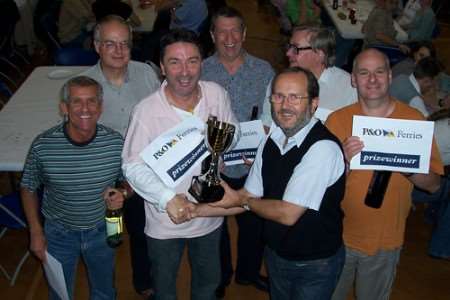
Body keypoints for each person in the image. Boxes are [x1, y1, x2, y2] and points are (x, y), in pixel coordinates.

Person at [193, 66, 347, 300]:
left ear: (314, 103)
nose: (285, 105)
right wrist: (195, 211)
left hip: (314, 264)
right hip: (276, 255)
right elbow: (248, 195)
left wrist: (241, 199)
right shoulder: (271, 140)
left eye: (295, 97)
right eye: (278, 96)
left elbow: (287, 213)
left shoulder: (322, 148)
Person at [122, 28, 238, 299]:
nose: (185, 71)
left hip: (209, 213)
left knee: (208, 284)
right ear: (162, 67)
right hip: (165, 221)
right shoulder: (146, 111)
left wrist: (223, 143)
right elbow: (131, 165)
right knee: (164, 288)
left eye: (192, 61)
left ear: (202, 63)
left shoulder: (216, 94)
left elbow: (233, 130)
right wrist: (167, 198)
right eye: (175, 62)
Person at [325, 48, 443, 300]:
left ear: (390, 76)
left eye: (379, 72)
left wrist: (408, 167)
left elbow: (434, 185)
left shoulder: (415, 122)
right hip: (336, 237)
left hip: (384, 241)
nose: (372, 79)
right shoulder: (337, 121)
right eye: (364, 73)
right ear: (353, 79)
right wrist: (341, 162)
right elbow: (320, 186)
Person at [20, 76, 126, 299]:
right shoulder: (43, 145)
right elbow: (28, 187)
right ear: (64, 108)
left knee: (105, 292)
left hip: (103, 229)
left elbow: (128, 182)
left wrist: (123, 193)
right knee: (59, 294)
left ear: (100, 107)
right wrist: (36, 231)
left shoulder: (116, 143)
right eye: (77, 102)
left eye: (91, 101)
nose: (85, 108)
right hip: (58, 234)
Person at [81, 15, 160, 299]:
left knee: (141, 230)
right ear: (97, 46)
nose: (118, 51)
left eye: (124, 44)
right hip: (104, 172)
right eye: (110, 44)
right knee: (107, 236)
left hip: (140, 170)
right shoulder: (84, 84)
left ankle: (144, 282)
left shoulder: (147, 74)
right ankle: (104, 286)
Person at [201, 6, 274, 297]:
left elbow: (272, 114)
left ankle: (248, 272)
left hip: (250, 162)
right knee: (213, 225)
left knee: (253, 224)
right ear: (212, 35)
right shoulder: (201, 70)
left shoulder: (264, 70)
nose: (229, 38)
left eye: (235, 31)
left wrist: (263, 138)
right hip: (212, 164)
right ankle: (219, 277)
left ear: (244, 34)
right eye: (222, 31)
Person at [261, 25, 357, 125]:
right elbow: (267, 122)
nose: (288, 53)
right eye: (289, 47)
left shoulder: (349, 87)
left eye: (295, 48)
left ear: (320, 53)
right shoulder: (279, 81)